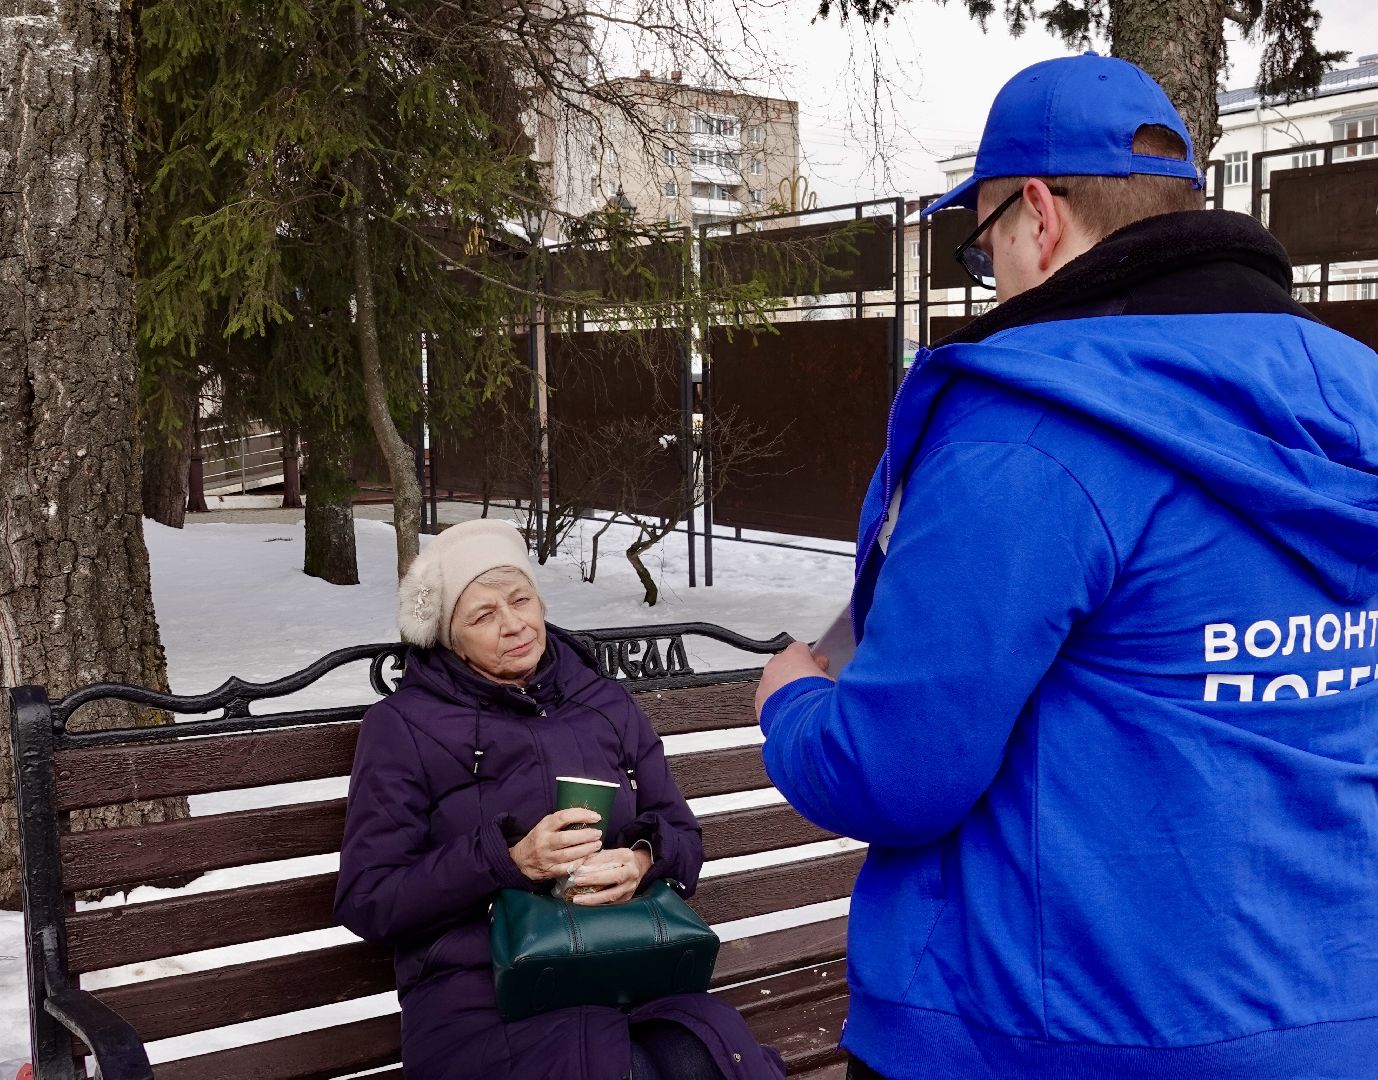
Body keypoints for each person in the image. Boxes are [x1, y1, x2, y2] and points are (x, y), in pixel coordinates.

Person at [754, 52, 1378, 1080]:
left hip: (1047, 1036)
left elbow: (893, 773)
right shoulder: (1352, 398)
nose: (991, 272)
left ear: (1037, 216)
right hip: (1331, 1023)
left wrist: (789, 703)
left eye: (983, 240)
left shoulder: (1029, 431)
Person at [335, 519, 785, 1080]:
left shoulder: (602, 701)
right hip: (483, 992)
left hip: (625, 964)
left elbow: (682, 834)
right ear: (450, 639)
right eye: (483, 615)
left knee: (704, 1063)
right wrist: (508, 860)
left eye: (521, 599)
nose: (514, 624)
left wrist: (643, 858)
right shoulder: (403, 726)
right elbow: (368, 897)